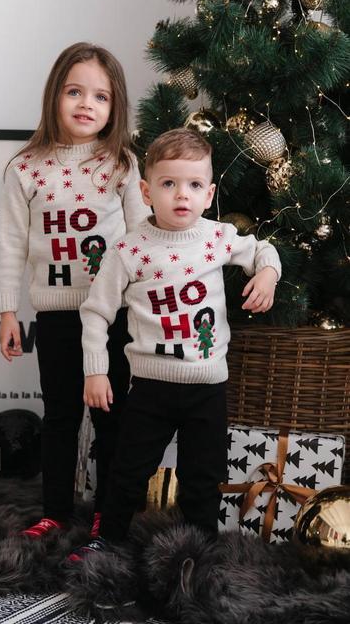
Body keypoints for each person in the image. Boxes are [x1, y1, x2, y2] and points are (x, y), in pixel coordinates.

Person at [71, 127, 281, 557]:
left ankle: (199, 551)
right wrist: (96, 370)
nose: (182, 195)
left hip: (206, 386)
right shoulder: (129, 250)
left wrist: (267, 275)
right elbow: (95, 312)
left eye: (194, 185)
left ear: (209, 194)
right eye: (169, 184)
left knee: (203, 475)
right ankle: (107, 538)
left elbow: (263, 250)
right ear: (147, 192)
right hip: (151, 386)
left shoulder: (217, 237)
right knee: (129, 469)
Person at [0, 42, 148, 538]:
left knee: (111, 416)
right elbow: (11, 244)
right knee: (60, 416)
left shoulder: (121, 163)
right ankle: (55, 512)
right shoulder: (25, 168)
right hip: (57, 316)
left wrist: (144, 309)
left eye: (101, 97)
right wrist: (8, 311)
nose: (87, 104)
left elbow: (143, 240)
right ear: (54, 96)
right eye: (75, 92)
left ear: (114, 107)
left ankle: (108, 512)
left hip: (113, 317)